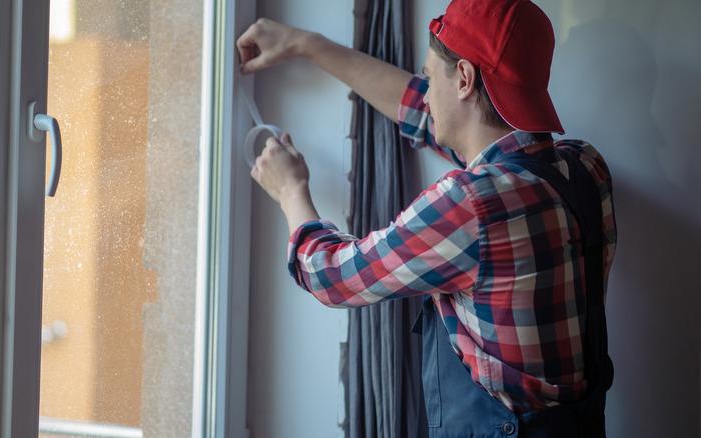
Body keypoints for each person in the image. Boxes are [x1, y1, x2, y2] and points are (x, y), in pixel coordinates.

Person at [237, 0, 616, 436]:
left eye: (429, 75)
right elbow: (425, 111)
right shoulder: (585, 167)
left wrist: (290, 191)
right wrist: (306, 44)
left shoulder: (470, 205)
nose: (424, 90)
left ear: (465, 80)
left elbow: (332, 276)